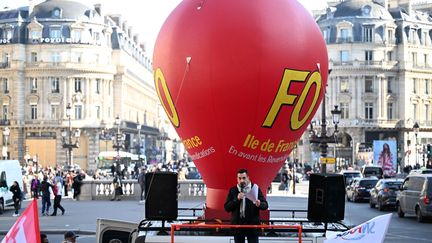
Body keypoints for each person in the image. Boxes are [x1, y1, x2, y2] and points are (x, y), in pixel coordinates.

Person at [224, 168, 268, 243]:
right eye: (239, 178)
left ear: (248, 178)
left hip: (252, 226)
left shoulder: (255, 188)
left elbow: (265, 205)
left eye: (244, 178)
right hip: (238, 226)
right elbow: (227, 208)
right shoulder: (233, 190)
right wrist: (236, 199)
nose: (242, 181)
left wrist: (259, 204)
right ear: (237, 179)